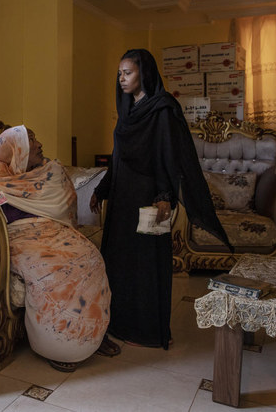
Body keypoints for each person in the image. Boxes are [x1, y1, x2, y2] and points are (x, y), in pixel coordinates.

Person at [90, 49, 233, 350]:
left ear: (145, 73)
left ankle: (149, 331)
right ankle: (119, 324)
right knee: (120, 263)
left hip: (150, 200)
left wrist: (165, 198)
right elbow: (118, 159)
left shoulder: (164, 109)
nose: (122, 79)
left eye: (127, 72)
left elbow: (169, 158)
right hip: (122, 201)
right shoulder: (127, 110)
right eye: (119, 74)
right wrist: (101, 189)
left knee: (147, 264)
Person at [0, 126, 118, 372]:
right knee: (57, 267)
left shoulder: (42, 170)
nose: (38, 145)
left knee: (89, 257)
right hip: (19, 237)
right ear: (16, 149)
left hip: (50, 231)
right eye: (31, 140)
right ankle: (60, 343)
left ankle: (92, 332)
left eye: (35, 138)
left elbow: (63, 201)